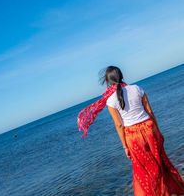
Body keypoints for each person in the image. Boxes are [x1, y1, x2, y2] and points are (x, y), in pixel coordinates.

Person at [77, 65, 184, 196]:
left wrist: (125, 147)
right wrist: (158, 131)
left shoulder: (110, 101)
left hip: (133, 137)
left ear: (108, 81)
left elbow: (119, 125)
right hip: (150, 129)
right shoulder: (137, 88)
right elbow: (149, 111)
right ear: (121, 75)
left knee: (143, 170)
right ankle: (172, 189)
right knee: (161, 161)